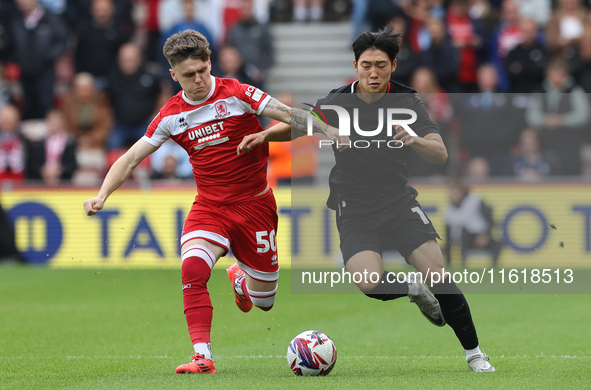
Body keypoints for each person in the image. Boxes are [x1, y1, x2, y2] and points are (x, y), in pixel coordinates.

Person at [238, 27, 496, 373]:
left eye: (381, 65)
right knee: (369, 282)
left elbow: (440, 154)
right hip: (354, 204)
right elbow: (300, 124)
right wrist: (265, 135)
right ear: (355, 65)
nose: (373, 73)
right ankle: (413, 288)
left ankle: (475, 354)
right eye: (366, 65)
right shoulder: (338, 101)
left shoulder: (408, 102)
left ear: (393, 65)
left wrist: (415, 140)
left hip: (398, 200)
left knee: (439, 274)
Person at [83, 29, 340, 375]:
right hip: (210, 207)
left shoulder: (236, 92)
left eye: (203, 70)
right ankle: (203, 356)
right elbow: (130, 158)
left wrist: (326, 129)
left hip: (255, 206)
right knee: (192, 269)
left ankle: (240, 280)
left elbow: (285, 113)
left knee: (264, 302)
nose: (199, 79)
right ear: (173, 75)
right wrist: (102, 195)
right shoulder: (171, 115)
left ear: (209, 63)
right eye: (189, 75)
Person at [444, 180, 502, 267]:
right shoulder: (449, 211)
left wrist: (486, 235)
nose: (452, 195)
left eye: (454, 192)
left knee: (498, 243)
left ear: (461, 192)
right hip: (465, 238)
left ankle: (494, 267)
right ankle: (459, 265)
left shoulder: (475, 200)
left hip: (481, 234)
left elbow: (490, 220)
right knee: (463, 234)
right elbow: (448, 237)